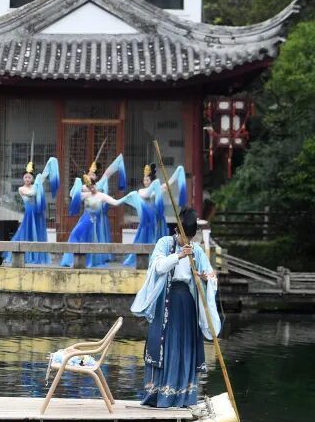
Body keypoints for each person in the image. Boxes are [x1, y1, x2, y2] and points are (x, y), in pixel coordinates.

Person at [130, 207, 220, 408]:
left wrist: (207, 277)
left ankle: (184, 397)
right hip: (166, 302)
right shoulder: (164, 243)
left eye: (190, 238)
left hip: (187, 303)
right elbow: (158, 267)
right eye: (184, 236)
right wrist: (179, 255)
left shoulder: (196, 250)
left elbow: (209, 273)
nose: (187, 241)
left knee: (185, 346)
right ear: (177, 231)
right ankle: (159, 396)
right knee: (166, 345)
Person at [116, 163, 188, 268]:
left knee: (159, 239)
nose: (145, 182)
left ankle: (159, 258)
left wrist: (179, 170)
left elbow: (170, 183)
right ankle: (147, 259)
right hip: (147, 221)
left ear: (151, 181)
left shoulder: (157, 188)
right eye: (144, 180)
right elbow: (147, 194)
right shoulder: (141, 191)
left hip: (157, 218)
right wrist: (156, 185)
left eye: (147, 180)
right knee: (144, 239)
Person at [59, 154, 126, 268]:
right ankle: (73, 259)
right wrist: (77, 183)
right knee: (77, 234)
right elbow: (73, 194)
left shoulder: (100, 189)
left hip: (96, 218)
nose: (90, 176)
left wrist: (118, 162)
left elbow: (107, 175)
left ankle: (91, 260)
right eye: (89, 174)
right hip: (85, 218)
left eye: (93, 174)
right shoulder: (85, 189)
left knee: (92, 239)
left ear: (96, 179)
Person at [3, 156, 59, 265]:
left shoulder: (36, 185)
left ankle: (37, 255)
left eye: (29, 177)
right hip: (29, 214)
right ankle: (24, 254)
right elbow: (32, 193)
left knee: (37, 233)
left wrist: (49, 163)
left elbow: (44, 175)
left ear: (32, 179)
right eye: (26, 177)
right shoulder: (21, 189)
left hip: (38, 213)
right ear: (23, 178)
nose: (27, 179)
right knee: (26, 232)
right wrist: (38, 180)